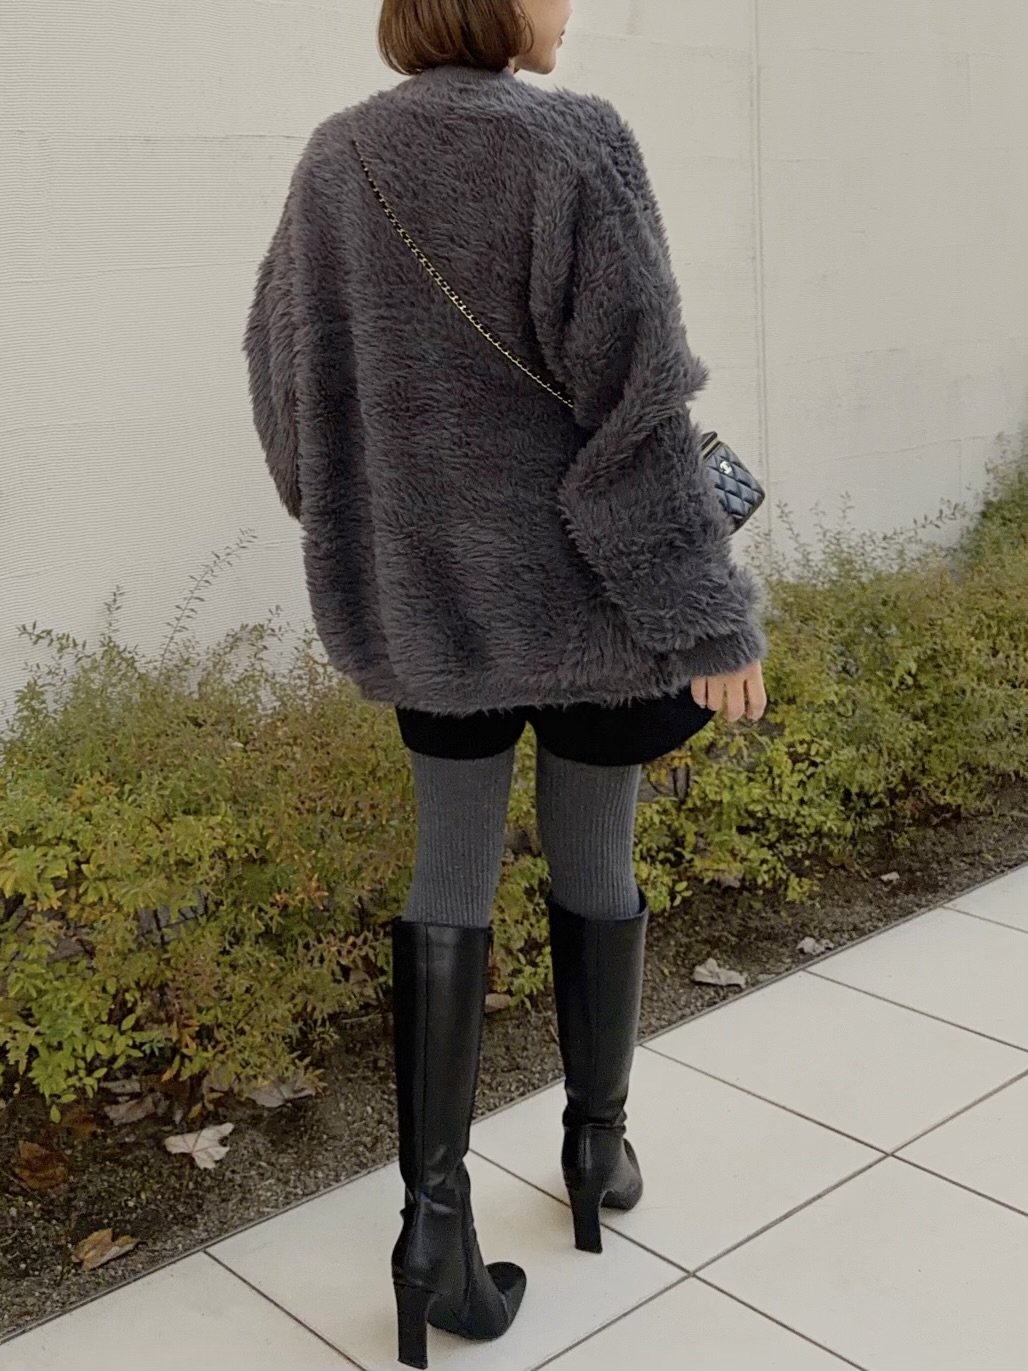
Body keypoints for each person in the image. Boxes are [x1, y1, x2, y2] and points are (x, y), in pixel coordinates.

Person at [244, 0, 768, 1365]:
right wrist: (712, 619)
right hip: (590, 605)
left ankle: (433, 1232)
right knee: (596, 858)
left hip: (435, 607)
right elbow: (638, 408)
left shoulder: (336, 158)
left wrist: (361, 519)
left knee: (448, 880)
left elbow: (279, 375)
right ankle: (596, 1150)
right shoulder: (576, 143)